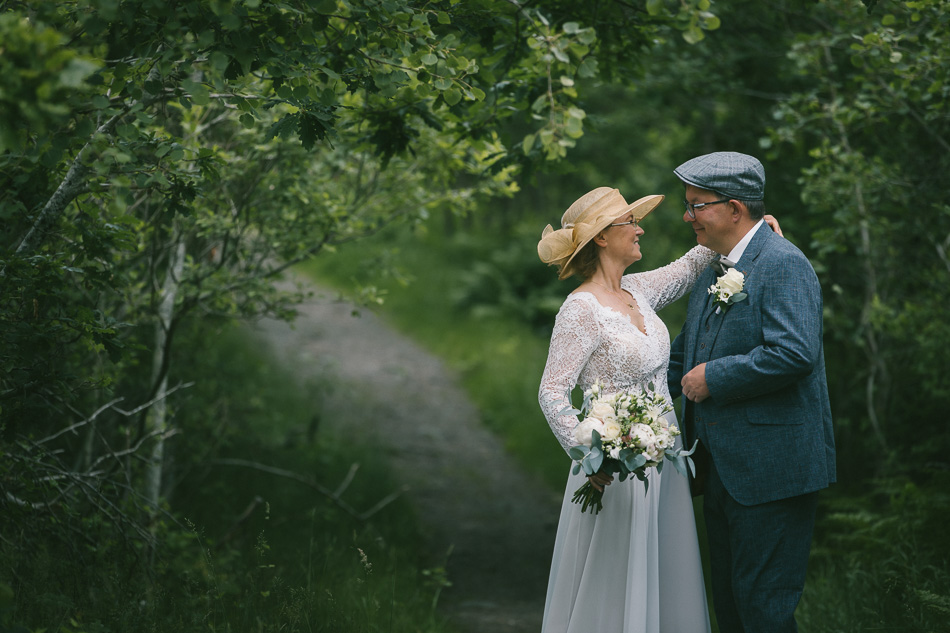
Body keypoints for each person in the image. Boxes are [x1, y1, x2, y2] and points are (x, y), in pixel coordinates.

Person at [536, 187, 783, 632]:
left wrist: (754, 233)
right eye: (629, 222)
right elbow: (552, 392)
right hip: (614, 462)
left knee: (665, 568)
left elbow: (691, 264)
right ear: (602, 239)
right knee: (616, 575)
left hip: (662, 455)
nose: (640, 228)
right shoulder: (580, 309)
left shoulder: (637, 289)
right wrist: (590, 452)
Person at [667, 151, 836, 632]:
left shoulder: (783, 263)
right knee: (732, 608)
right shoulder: (714, 269)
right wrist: (625, 406)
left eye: (697, 205)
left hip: (773, 471)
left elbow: (794, 352)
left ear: (735, 208)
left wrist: (713, 377)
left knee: (764, 611)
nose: (688, 216)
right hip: (719, 469)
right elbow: (681, 357)